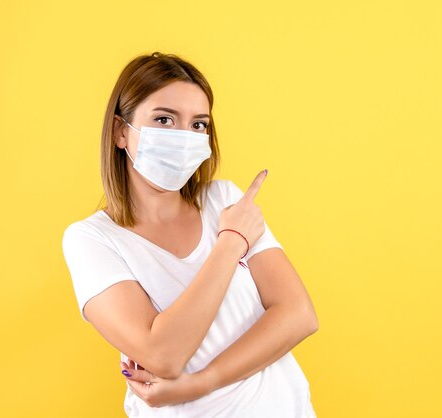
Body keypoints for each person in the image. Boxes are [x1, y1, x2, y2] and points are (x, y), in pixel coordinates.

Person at [62, 52, 319, 417]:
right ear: (121, 132)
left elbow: (298, 315)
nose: (184, 137)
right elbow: (162, 354)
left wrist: (203, 381)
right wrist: (231, 242)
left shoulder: (224, 200)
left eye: (198, 125)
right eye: (164, 119)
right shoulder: (92, 240)